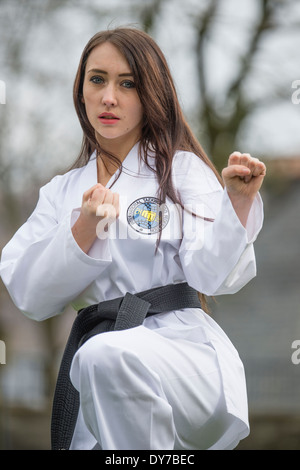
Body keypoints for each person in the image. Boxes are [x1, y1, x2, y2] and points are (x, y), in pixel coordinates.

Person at [0, 27, 266, 450]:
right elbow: (30, 295)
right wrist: (84, 228)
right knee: (101, 358)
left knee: (106, 355)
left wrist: (236, 202)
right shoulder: (61, 193)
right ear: (80, 90)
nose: (109, 96)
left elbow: (213, 276)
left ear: (150, 95)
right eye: (97, 79)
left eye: (128, 84)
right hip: (101, 377)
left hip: (186, 361)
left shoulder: (181, 172)